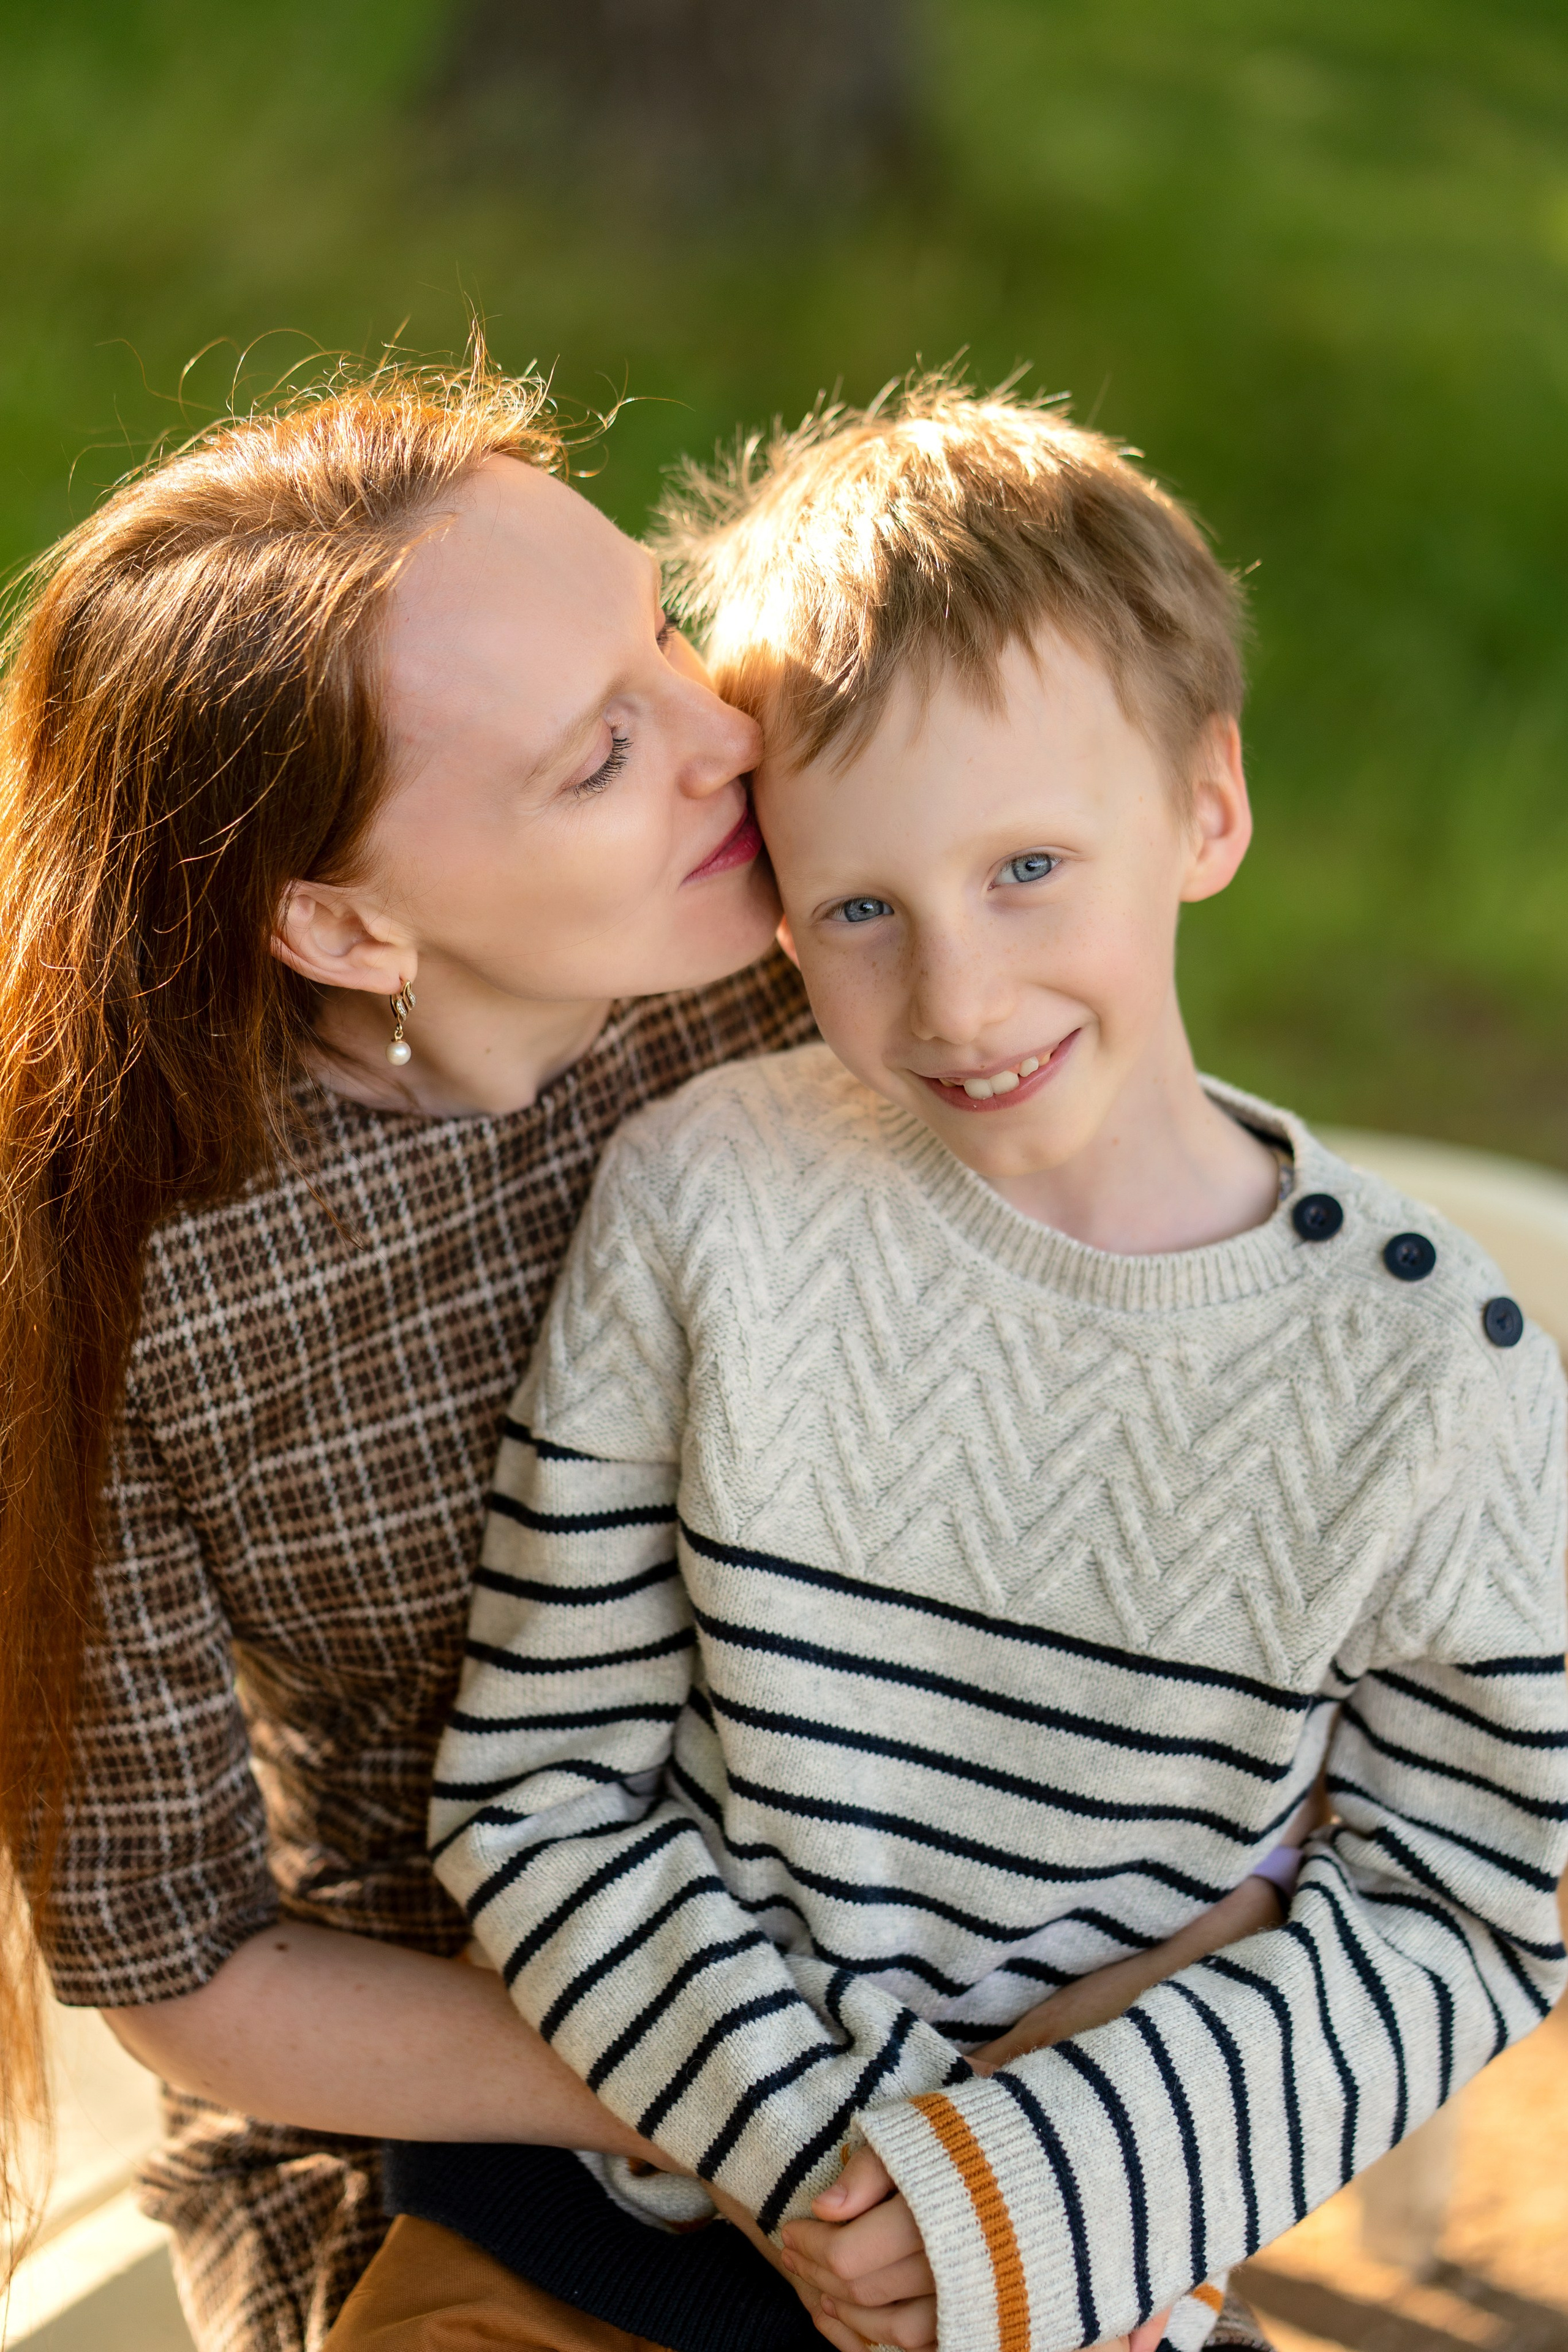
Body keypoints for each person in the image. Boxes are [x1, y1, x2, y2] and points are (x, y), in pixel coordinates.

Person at [384, 383, 1568, 2352]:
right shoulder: (710, 1201)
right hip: (603, 2215)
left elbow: (1479, 1893)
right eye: (860, 909)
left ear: (1206, 807)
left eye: (1030, 869)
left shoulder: (1434, 1366)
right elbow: (537, 1781)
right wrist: (843, 2173)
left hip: (1070, 2269)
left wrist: (1007, 2207)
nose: (960, 995)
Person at [0, 355, 824, 2352]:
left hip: (928, 1940)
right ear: (346, 928)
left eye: (664, 631)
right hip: (452, 2078)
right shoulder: (110, 1276)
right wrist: (759, 2122)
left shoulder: (813, 945)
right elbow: (185, 1970)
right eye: (596, 756)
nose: (729, 733)